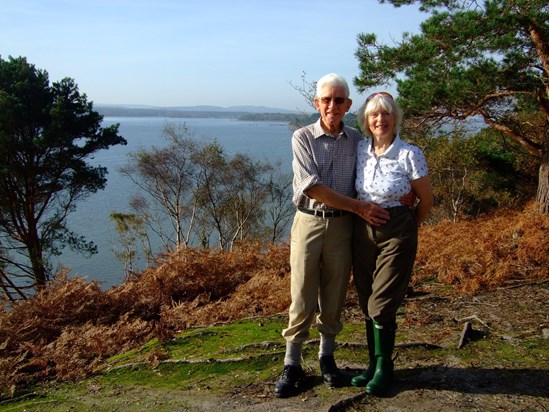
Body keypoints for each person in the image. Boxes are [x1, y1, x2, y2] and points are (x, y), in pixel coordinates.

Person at [274, 74, 393, 398]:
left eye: (339, 100)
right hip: (309, 223)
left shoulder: (357, 139)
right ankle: (292, 363)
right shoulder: (302, 137)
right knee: (301, 293)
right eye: (326, 99)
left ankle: (327, 358)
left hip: (343, 226)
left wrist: (407, 194)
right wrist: (360, 207)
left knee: (335, 294)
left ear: (348, 105)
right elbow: (311, 186)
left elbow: (383, 164)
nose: (332, 105)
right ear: (317, 103)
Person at [350, 92, 433, 396]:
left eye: (386, 114)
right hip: (362, 231)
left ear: (395, 118)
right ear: (365, 120)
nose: (380, 120)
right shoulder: (360, 149)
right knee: (365, 296)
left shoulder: (410, 154)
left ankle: (386, 367)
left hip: (397, 231)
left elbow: (426, 199)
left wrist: (409, 224)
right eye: (374, 115)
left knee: (381, 302)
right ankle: (373, 363)